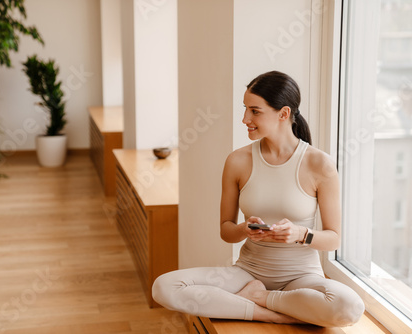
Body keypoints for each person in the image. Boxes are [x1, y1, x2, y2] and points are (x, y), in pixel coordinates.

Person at [152, 71, 365, 327]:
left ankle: (259, 298)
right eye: (245, 109)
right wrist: (244, 229)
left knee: (349, 307)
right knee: (163, 286)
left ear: (283, 114)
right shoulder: (237, 161)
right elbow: (226, 231)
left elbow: (333, 239)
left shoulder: (319, 164)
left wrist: (300, 234)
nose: (245, 119)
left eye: (255, 111)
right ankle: (269, 312)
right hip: (247, 273)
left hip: (301, 277)